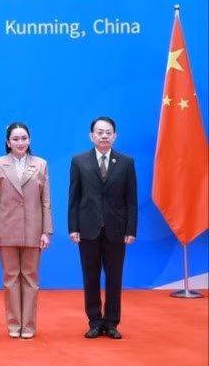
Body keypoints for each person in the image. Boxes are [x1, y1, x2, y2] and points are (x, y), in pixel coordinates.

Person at [68, 116, 137, 340]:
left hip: (116, 229)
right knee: (91, 276)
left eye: (108, 132)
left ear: (115, 136)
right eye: (100, 132)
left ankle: (112, 322)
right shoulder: (79, 161)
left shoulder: (126, 162)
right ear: (91, 136)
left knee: (114, 277)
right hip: (88, 228)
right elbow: (74, 198)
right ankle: (95, 321)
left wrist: (130, 229)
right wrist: (73, 227)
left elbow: (131, 200)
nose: (104, 136)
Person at [0, 122, 52, 339]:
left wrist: (46, 231)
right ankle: (14, 324)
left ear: (29, 140)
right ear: (8, 142)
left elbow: (46, 201)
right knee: (11, 278)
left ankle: (29, 326)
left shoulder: (41, 164)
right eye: (15, 139)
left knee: (31, 278)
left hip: (34, 229)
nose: (20, 142)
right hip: (6, 229)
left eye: (24, 138)